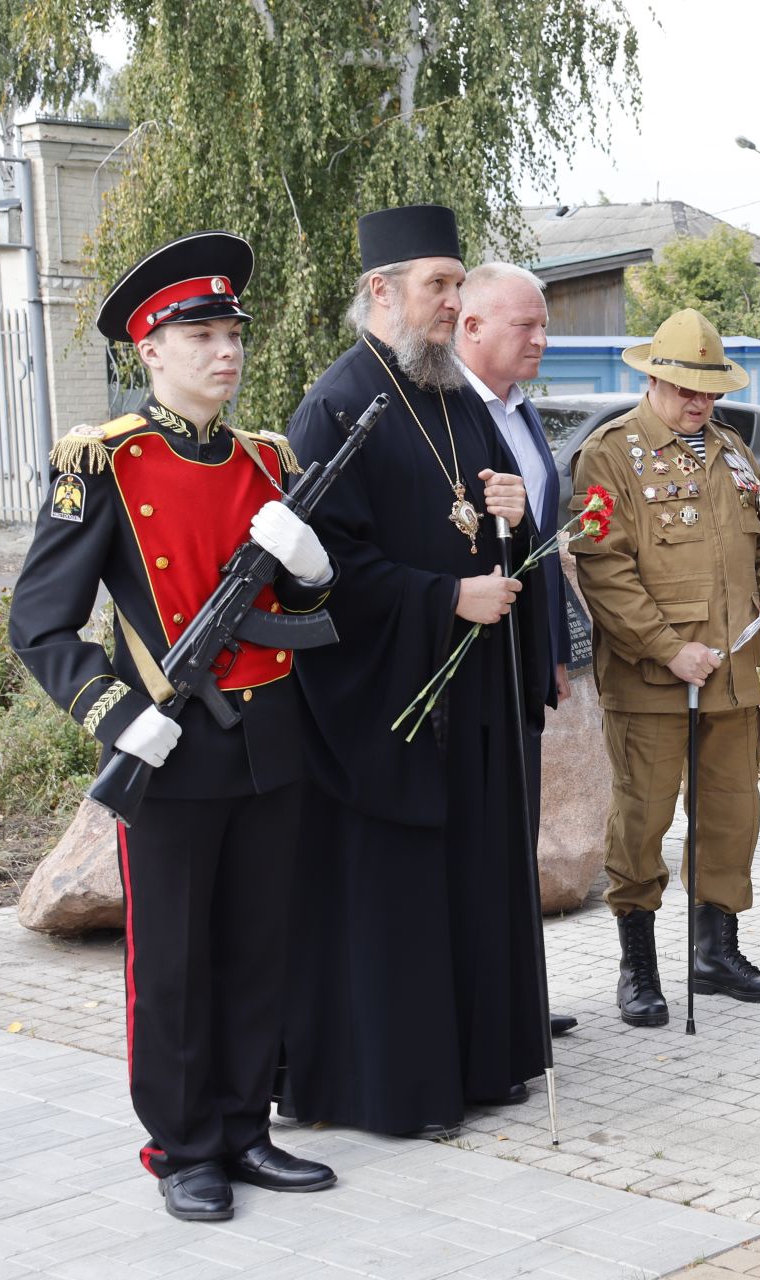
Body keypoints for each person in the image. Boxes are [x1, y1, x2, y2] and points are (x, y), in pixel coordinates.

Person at [9, 232, 338, 1220]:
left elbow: (313, 604)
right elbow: (40, 621)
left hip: (269, 743)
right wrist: (118, 716)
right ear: (150, 350)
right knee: (176, 961)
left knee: (256, 947)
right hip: (170, 747)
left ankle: (244, 1125)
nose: (225, 350)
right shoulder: (106, 461)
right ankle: (183, 1142)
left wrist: (313, 569)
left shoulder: (267, 460)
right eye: (201, 333)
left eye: (232, 331)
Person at [283, 204, 550, 1137]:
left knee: (472, 881)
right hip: (385, 702)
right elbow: (321, 569)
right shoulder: (336, 405)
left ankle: (477, 1060)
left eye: (454, 282)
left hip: (466, 691)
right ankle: (395, 1086)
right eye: (437, 285)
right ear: (379, 292)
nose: (451, 302)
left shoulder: (445, 394)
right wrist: (443, 601)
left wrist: (509, 513)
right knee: (400, 895)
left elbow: (479, 527)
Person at [570, 308, 760, 1023]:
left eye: (710, 391)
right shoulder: (611, 453)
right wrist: (669, 648)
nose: (700, 403)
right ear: (654, 377)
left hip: (732, 673)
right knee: (643, 819)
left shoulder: (732, 450)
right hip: (652, 682)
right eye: (685, 389)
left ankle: (716, 950)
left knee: (731, 817)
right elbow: (604, 571)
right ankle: (638, 965)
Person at [455, 261, 580, 1039]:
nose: (541, 337)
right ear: (470, 326)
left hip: (521, 662)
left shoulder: (522, 413)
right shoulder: (447, 414)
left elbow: (543, 546)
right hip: (465, 664)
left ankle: (521, 997)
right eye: (524, 325)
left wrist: (555, 649)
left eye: (542, 323)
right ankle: (492, 1008)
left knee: (516, 837)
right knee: (482, 844)